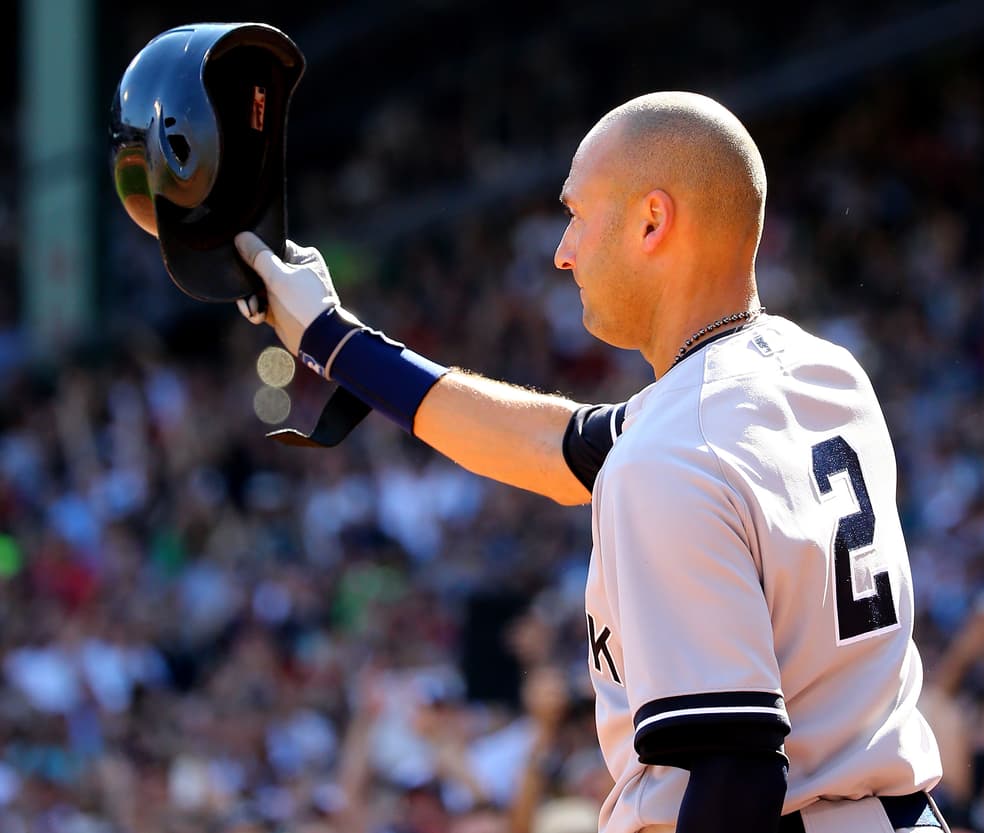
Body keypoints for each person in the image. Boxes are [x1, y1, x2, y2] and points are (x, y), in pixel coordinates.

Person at [234, 91, 946, 832]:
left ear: (652, 219)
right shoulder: (824, 372)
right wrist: (332, 338)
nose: (562, 248)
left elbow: (737, 771)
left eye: (577, 212)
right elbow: (552, 445)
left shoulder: (672, 451)